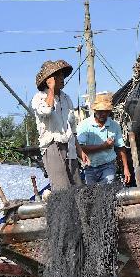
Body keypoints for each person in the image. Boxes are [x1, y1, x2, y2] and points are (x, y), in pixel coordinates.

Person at [31, 60, 84, 190]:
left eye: (62, 76)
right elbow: (47, 110)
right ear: (49, 80)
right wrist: (51, 89)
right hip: (52, 146)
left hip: (70, 146)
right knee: (62, 188)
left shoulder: (66, 98)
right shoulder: (39, 97)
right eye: (58, 76)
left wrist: (80, 151)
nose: (62, 79)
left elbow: (72, 128)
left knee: (77, 186)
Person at [76, 92, 131, 185]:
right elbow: (80, 148)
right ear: (95, 110)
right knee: (92, 194)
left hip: (108, 165)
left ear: (110, 112)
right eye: (100, 111)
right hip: (89, 167)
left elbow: (120, 147)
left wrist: (125, 168)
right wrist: (103, 146)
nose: (103, 114)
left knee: (107, 189)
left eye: (106, 111)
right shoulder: (84, 125)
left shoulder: (114, 126)